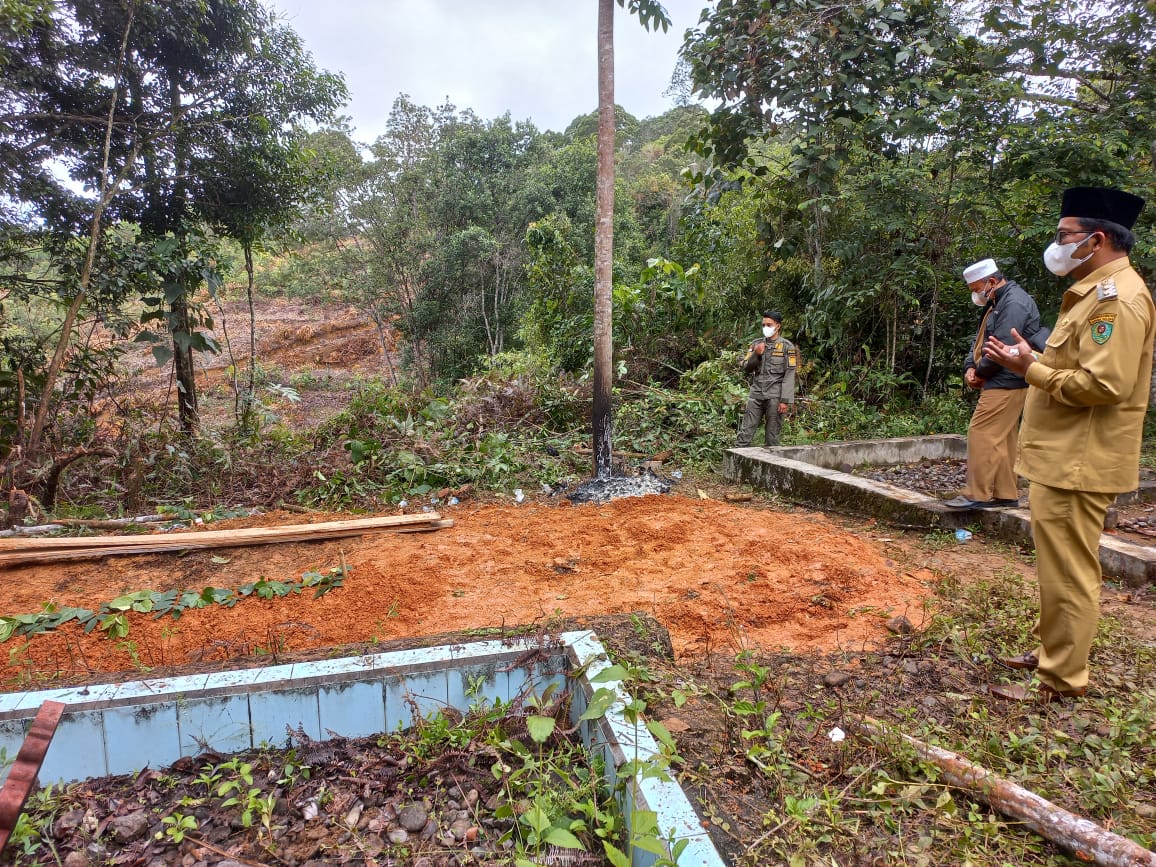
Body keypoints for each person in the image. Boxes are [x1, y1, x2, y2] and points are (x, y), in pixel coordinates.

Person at [983, 186, 1153, 703]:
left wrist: (1029, 368)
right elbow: (1073, 366)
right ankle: (1052, 652)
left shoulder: (1117, 302)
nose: (1056, 245)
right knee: (1058, 567)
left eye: (1064, 236)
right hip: (1065, 456)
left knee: (1072, 573)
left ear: (1096, 239)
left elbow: (1104, 385)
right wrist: (1030, 358)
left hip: (1081, 461)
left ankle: (1060, 679)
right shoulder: (1091, 294)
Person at [944, 259, 1049, 509]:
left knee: (981, 432)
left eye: (974, 288)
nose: (974, 293)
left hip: (1008, 379)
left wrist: (980, 373)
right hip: (1001, 378)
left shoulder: (1013, 303)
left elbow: (1000, 346)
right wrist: (970, 366)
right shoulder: (996, 302)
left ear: (991, 281)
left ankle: (976, 494)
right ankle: (1005, 493)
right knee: (1002, 437)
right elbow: (980, 340)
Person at [736, 310, 798, 448]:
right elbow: (746, 368)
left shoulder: (787, 347)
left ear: (778, 326)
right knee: (745, 433)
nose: (766, 328)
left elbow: (789, 374)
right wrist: (756, 355)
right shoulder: (755, 344)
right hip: (756, 394)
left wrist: (785, 400)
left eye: (769, 325)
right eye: (763, 325)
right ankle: (737, 466)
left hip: (775, 397)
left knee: (772, 437)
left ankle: (771, 467)